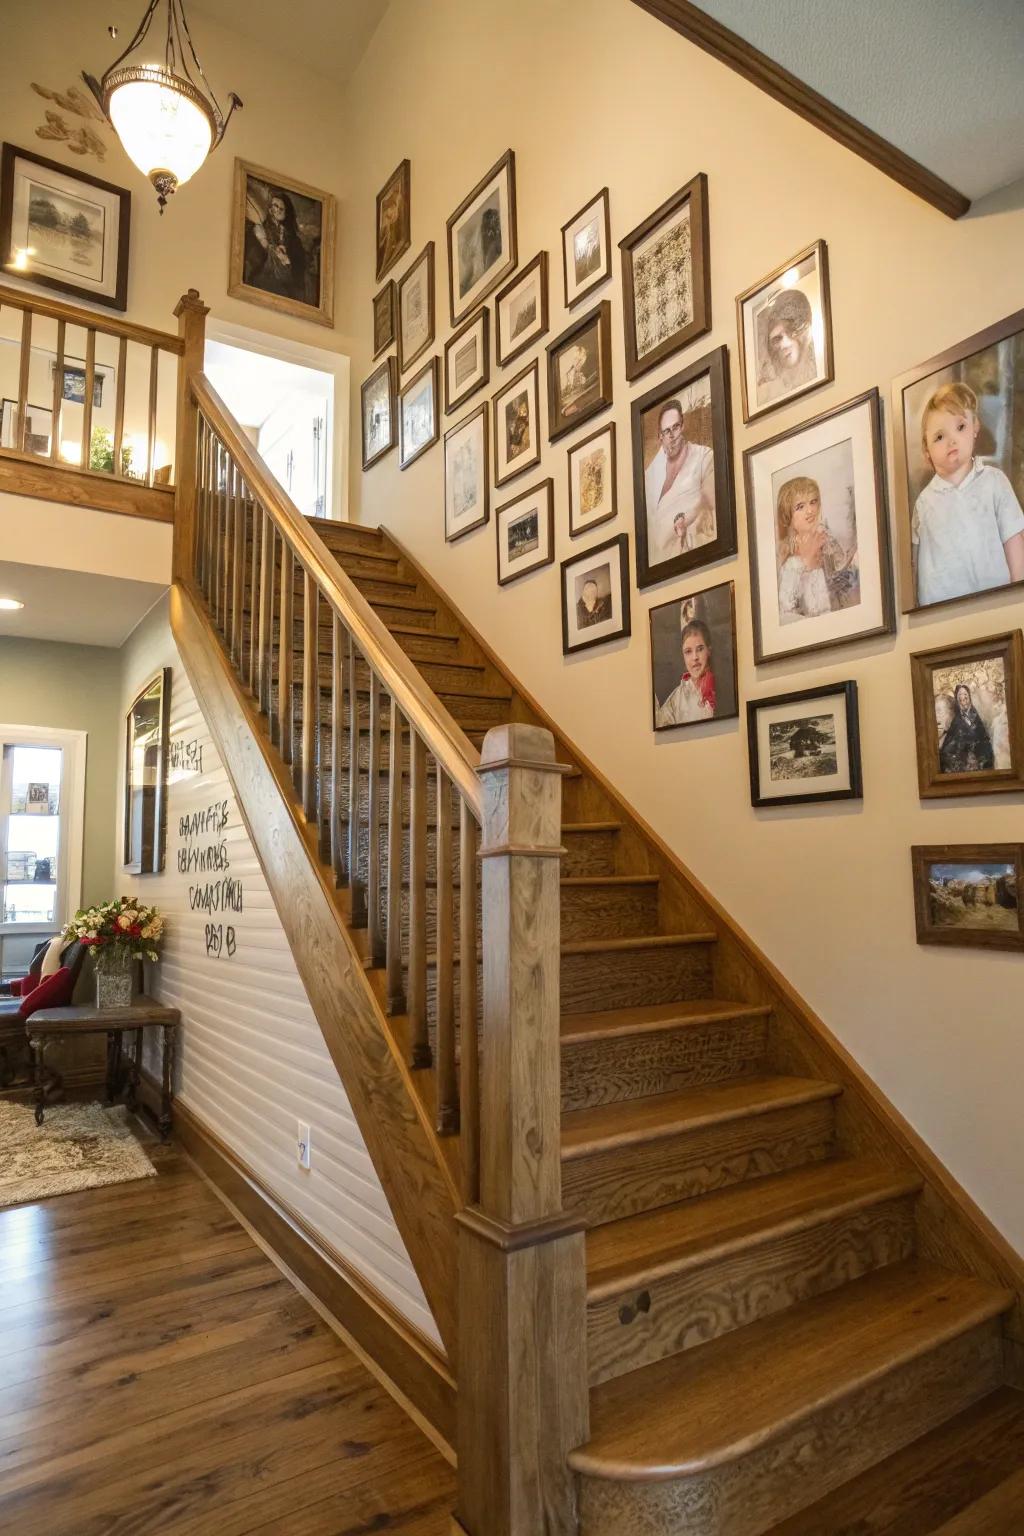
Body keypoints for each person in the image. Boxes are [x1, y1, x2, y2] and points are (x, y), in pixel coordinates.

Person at [912, 381, 1024, 607]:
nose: (951, 440)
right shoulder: (924, 504)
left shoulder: (994, 482)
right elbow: (915, 565)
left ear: (975, 427)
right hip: (943, 617)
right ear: (927, 451)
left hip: (997, 604)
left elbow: (1014, 544)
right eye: (939, 437)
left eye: (960, 427)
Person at [776, 475, 859, 624]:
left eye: (813, 502)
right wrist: (807, 560)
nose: (810, 511)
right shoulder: (788, 558)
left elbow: (842, 573)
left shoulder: (827, 539)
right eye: (800, 507)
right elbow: (785, 608)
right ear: (788, 515)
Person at [644, 399, 716, 563]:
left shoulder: (703, 457)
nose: (672, 436)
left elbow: (710, 504)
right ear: (660, 436)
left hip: (691, 554)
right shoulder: (650, 475)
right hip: (659, 565)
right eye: (666, 431)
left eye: (675, 427)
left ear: (682, 426)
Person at [245, 189, 308, 302]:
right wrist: (269, 248)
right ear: (270, 209)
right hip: (264, 277)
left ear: (286, 213)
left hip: (286, 283)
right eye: (275, 206)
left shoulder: (293, 239)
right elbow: (253, 255)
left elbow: (300, 263)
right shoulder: (259, 229)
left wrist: (287, 259)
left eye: (282, 208)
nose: (278, 210)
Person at [757, 289, 817, 404]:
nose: (784, 345)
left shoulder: (815, 369)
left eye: (790, 332)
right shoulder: (767, 393)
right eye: (777, 339)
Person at [656, 616, 717, 727]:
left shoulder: (722, 688)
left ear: (709, 651)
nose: (695, 657)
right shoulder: (676, 699)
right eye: (688, 651)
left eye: (700, 649)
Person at [939, 683, 995, 774]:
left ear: (969, 697)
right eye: (960, 695)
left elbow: (984, 740)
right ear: (957, 699)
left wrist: (979, 760)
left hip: (978, 762)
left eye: (965, 694)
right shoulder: (956, 721)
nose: (963, 697)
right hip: (963, 763)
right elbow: (949, 747)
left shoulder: (976, 716)